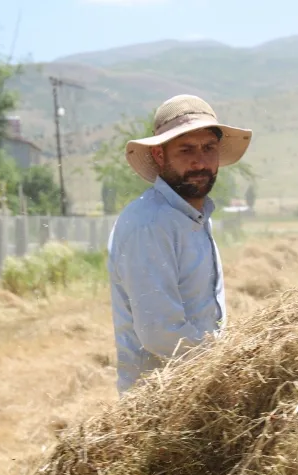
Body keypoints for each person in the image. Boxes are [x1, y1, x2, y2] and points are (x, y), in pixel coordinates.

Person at [107, 95, 252, 394]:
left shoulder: (196, 218)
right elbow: (160, 332)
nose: (200, 161)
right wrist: (225, 368)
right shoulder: (149, 224)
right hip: (160, 409)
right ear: (160, 156)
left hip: (200, 394)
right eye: (186, 150)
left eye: (209, 148)